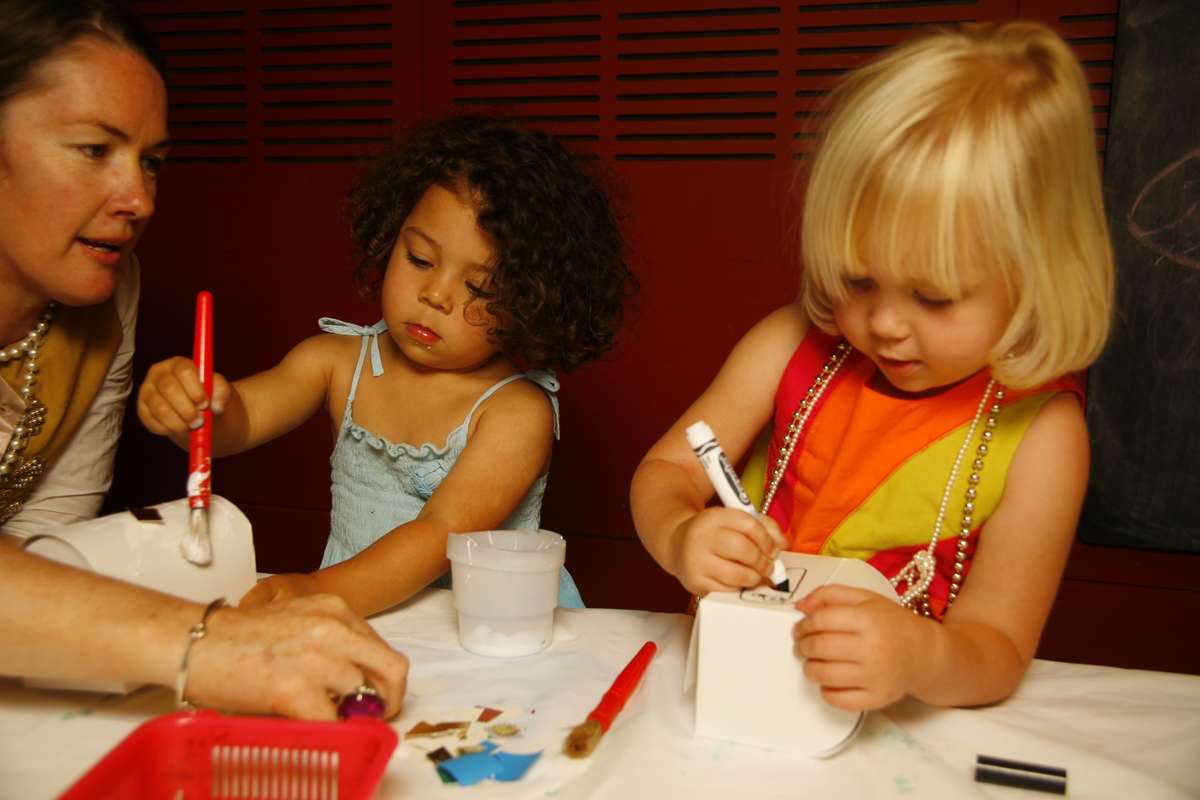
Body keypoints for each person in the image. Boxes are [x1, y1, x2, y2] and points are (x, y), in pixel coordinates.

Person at [630, 21, 1113, 711]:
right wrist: (679, 535)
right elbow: (667, 470)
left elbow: (998, 652)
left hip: (890, 726)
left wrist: (919, 656)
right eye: (857, 281)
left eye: (933, 296)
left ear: (1038, 274)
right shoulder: (788, 343)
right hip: (734, 690)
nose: (883, 323)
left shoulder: (1044, 437)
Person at [0, 0, 408, 720]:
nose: (139, 199)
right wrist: (208, 643)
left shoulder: (110, 293)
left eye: (151, 163)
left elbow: (48, 540)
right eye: (94, 150)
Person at [138, 114, 634, 617]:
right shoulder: (333, 362)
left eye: (479, 287)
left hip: (481, 626)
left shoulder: (516, 413)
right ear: (390, 237)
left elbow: (439, 534)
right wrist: (192, 409)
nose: (435, 295)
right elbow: (238, 420)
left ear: (531, 302)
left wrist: (314, 591)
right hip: (358, 608)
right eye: (420, 259)